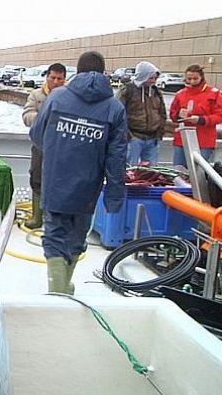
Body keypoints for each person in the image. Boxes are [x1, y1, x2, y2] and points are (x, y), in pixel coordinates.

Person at [30, 51, 126, 294]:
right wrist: (114, 195)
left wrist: (58, 149)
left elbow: (37, 135)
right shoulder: (114, 107)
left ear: (77, 71)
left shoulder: (57, 97)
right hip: (88, 186)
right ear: (104, 72)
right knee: (77, 236)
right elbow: (116, 158)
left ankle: (58, 289)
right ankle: (64, 287)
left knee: (54, 234)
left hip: (55, 180)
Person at [21, 63, 67, 229]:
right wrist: (44, 119)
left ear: (64, 79)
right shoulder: (36, 95)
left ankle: (54, 219)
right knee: (37, 178)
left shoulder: (70, 96)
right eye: (52, 77)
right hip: (40, 146)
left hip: (62, 148)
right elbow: (26, 116)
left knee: (60, 182)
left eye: (59, 78)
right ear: (47, 77)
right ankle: (37, 217)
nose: (55, 81)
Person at [169, 64, 222, 166]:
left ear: (201, 77)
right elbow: (173, 114)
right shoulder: (180, 94)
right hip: (182, 139)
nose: (192, 81)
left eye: (195, 78)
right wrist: (178, 114)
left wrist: (201, 120)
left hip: (204, 140)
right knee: (179, 171)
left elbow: (219, 115)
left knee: (198, 172)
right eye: (189, 78)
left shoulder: (214, 94)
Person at [117, 61, 166, 166]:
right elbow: (119, 115)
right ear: (143, 76)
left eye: (155, 78)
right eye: (150, 78)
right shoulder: (127, 91)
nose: (153, 81)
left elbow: (162, 113)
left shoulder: (156, 92)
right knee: (130, 170)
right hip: (134, 137)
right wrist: (128, 135)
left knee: (151, 172)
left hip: (153, 138)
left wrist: (160, 132)